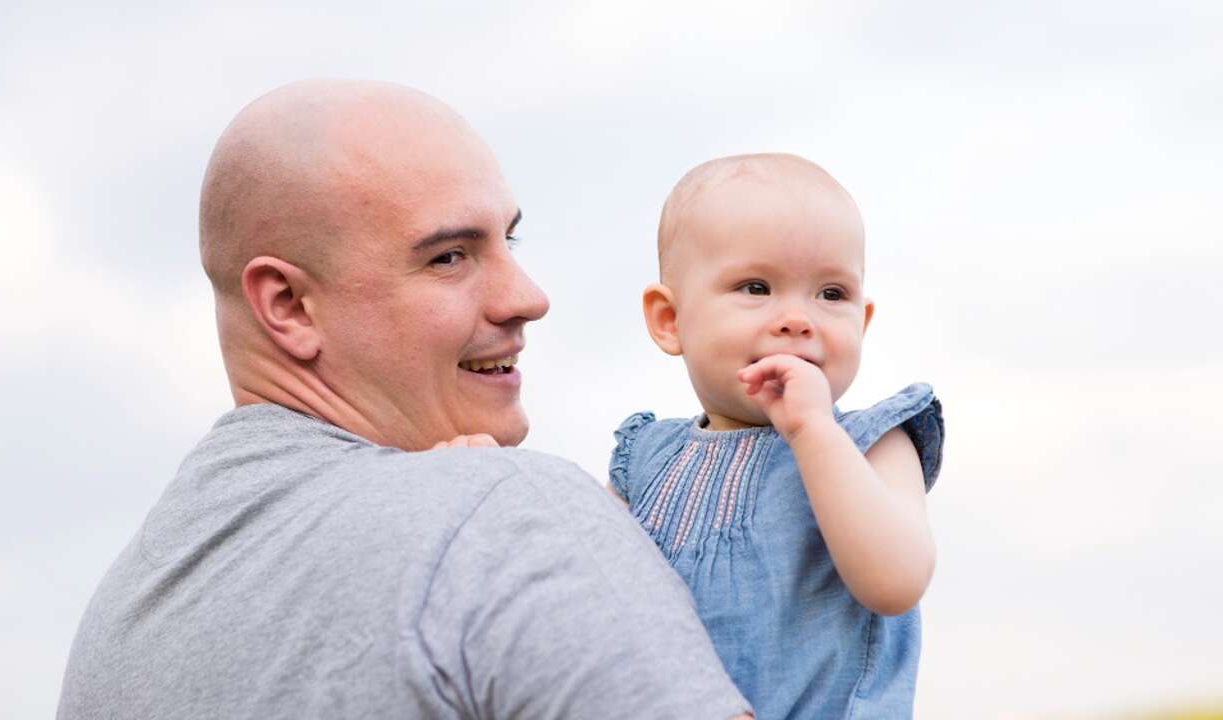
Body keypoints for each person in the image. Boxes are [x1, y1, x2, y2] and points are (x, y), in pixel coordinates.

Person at [56, 80, 752, 720]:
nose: (528, 298)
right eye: (449, 256)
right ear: (290, 305)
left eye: (508, 239)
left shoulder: (122, 623)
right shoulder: (503, 516)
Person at [607, 154, 946, 719]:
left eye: (831, 294)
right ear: (670, 320)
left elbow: (896, 583)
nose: (797, 318)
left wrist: (813, 431)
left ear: (861, 323)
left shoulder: (873, 442)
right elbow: (587, 597)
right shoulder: (643, 460)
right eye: (756, 287)